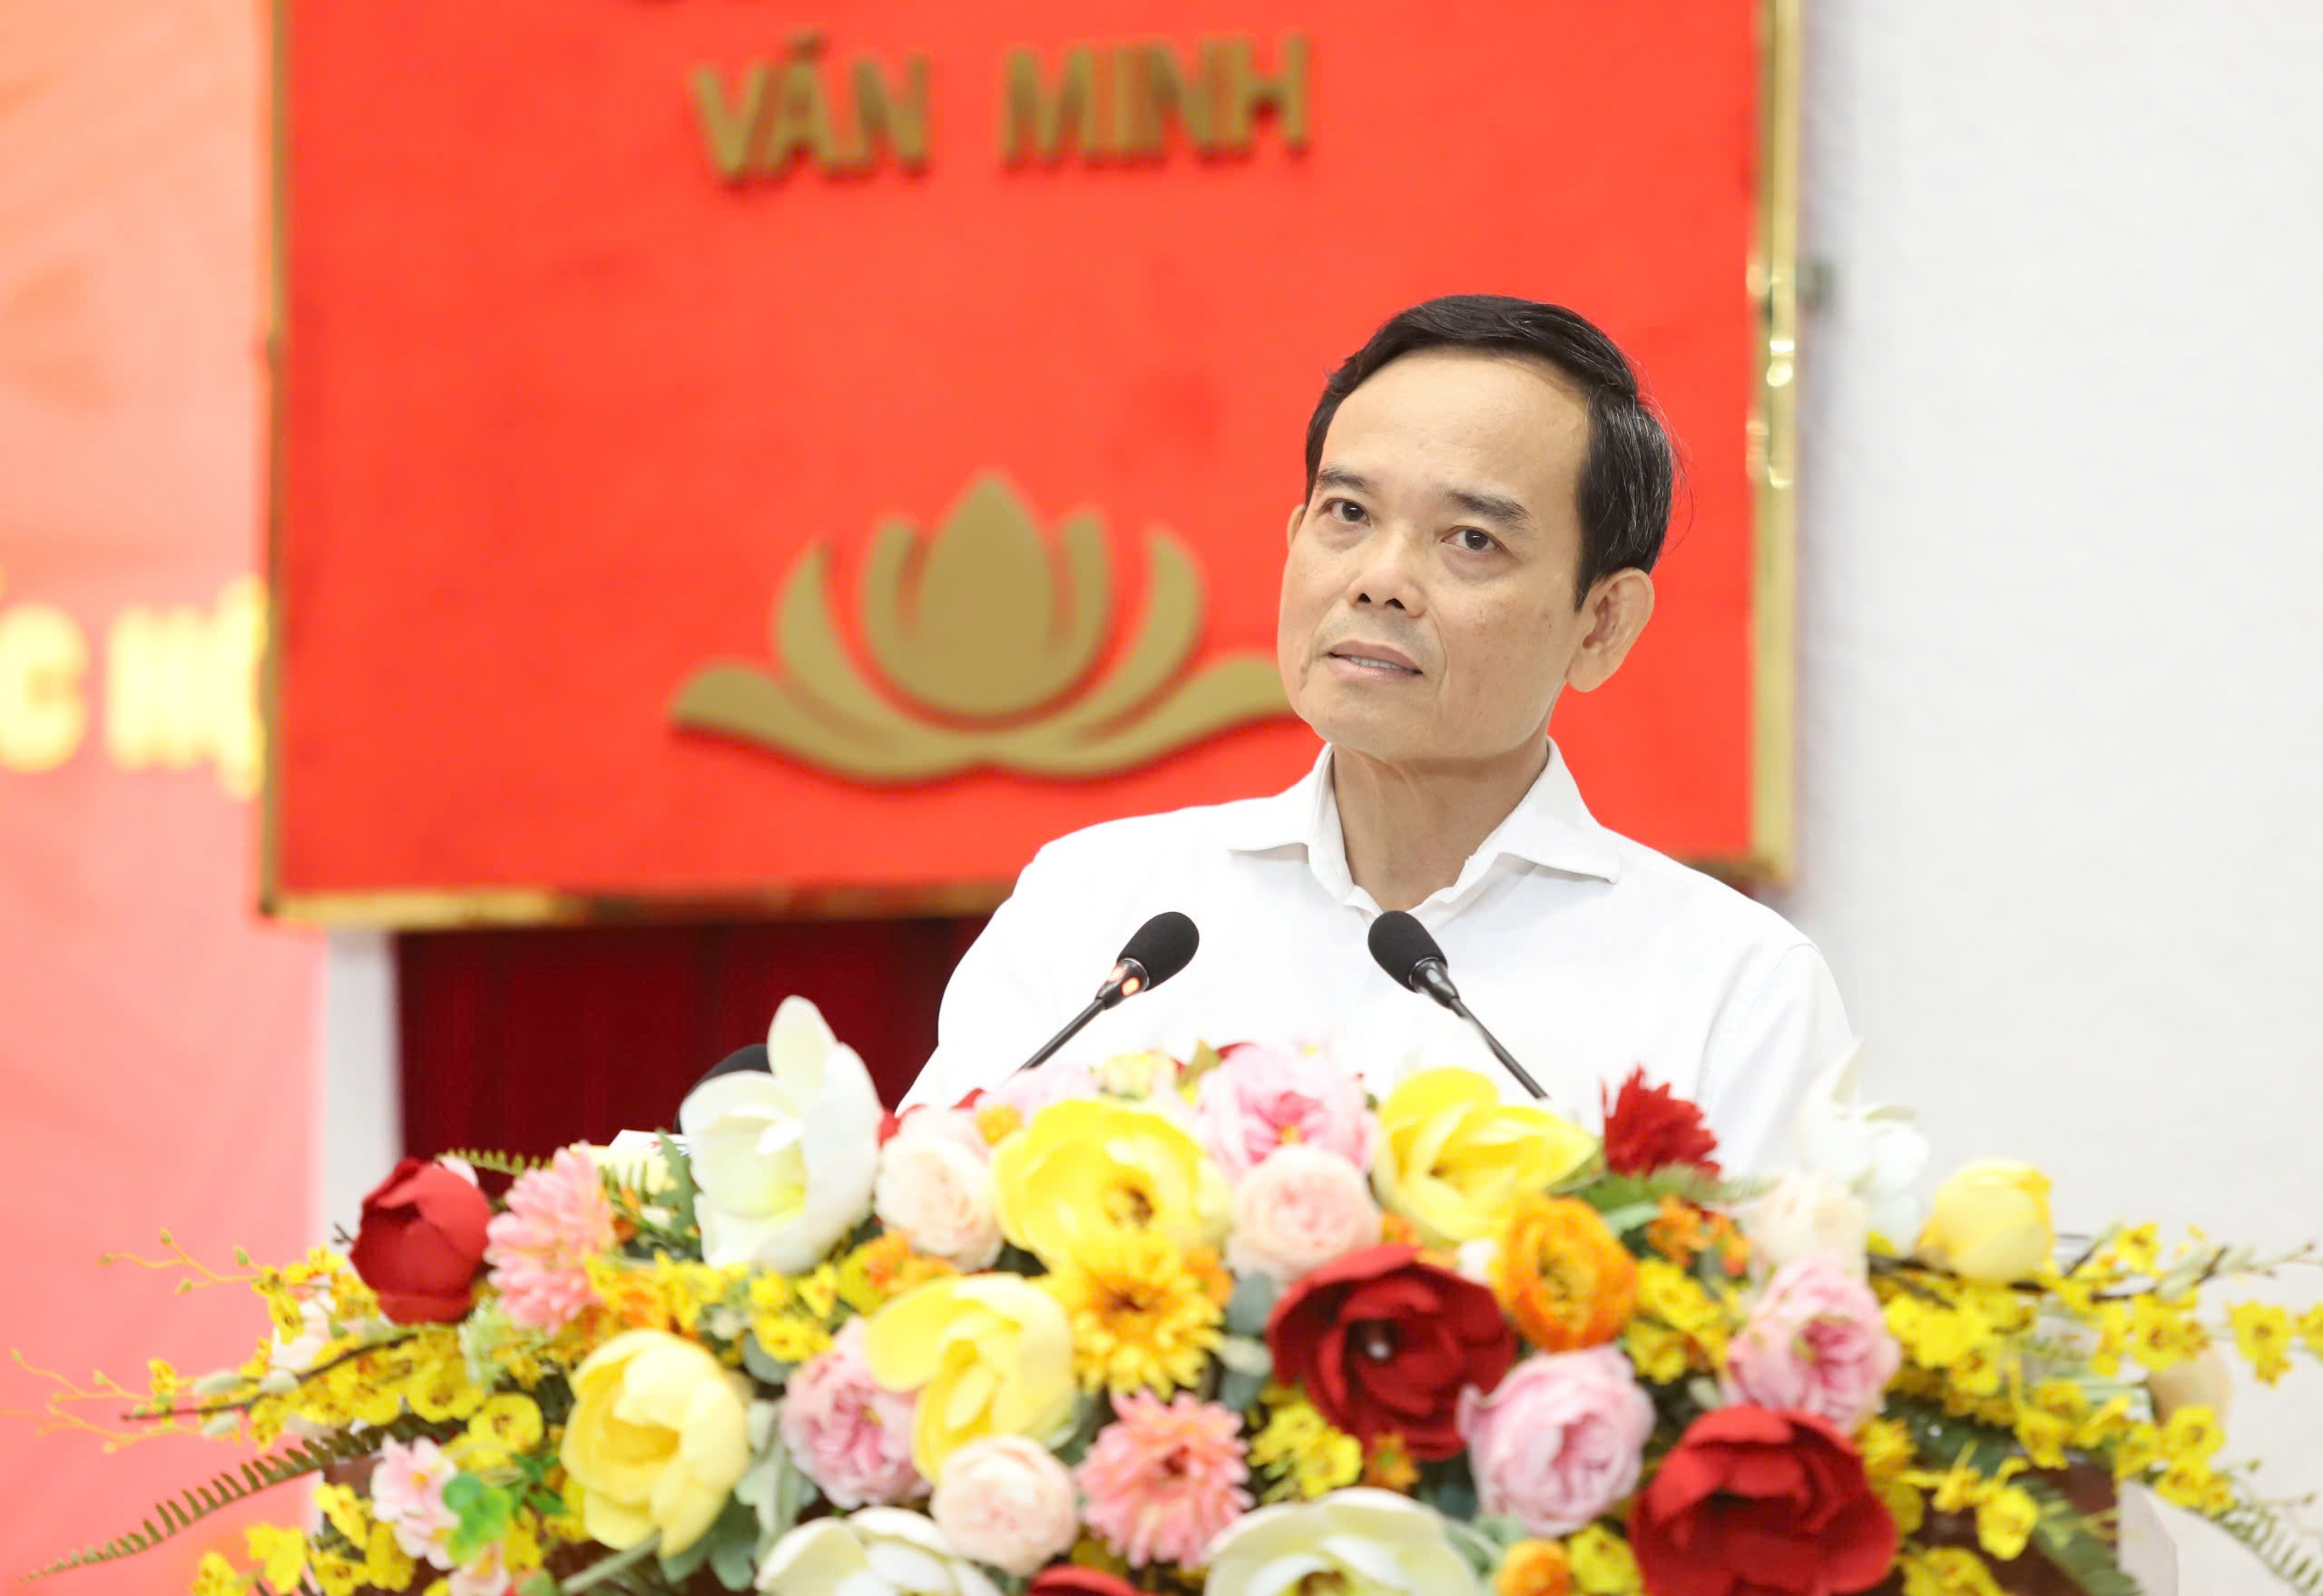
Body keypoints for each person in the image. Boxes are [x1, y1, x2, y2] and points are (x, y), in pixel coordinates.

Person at [901, 294, 1848, 1170]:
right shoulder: (1098, 909)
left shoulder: (1732, 987)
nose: (1380, 580)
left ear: (1600, 623)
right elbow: (915, 1228)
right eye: (1348, 514)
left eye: (1471, 539)